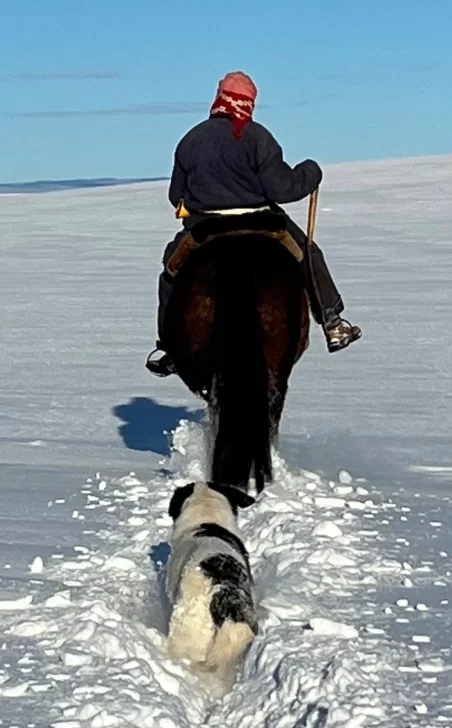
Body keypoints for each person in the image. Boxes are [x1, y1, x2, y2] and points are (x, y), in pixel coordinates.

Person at [146, 71, 361, 377]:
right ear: (249, 103)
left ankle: (168, 347)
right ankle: (332, 322)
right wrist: (310, 172)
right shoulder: (258, 137)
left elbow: (175, 196)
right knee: (307, 253)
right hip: (263, 220)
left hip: (205, 226)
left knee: (170, 274)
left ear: (218, 99)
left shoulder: (190, 140)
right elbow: (282, 190)